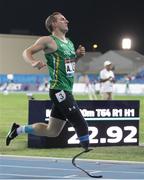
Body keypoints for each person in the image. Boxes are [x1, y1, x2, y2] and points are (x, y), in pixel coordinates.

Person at [6, 12, 89, 150]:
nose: (67, 20)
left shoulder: (69, 43)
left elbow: (69, 64)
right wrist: (32, 62)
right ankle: (86, 150)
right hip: (59, 89)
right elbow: (26, 52)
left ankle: (18, 130)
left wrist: (77, 56)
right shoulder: (48, 40)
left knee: (52, 131)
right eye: (62, 19)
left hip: (67, 89)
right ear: (54, 24)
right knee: (79, 122)